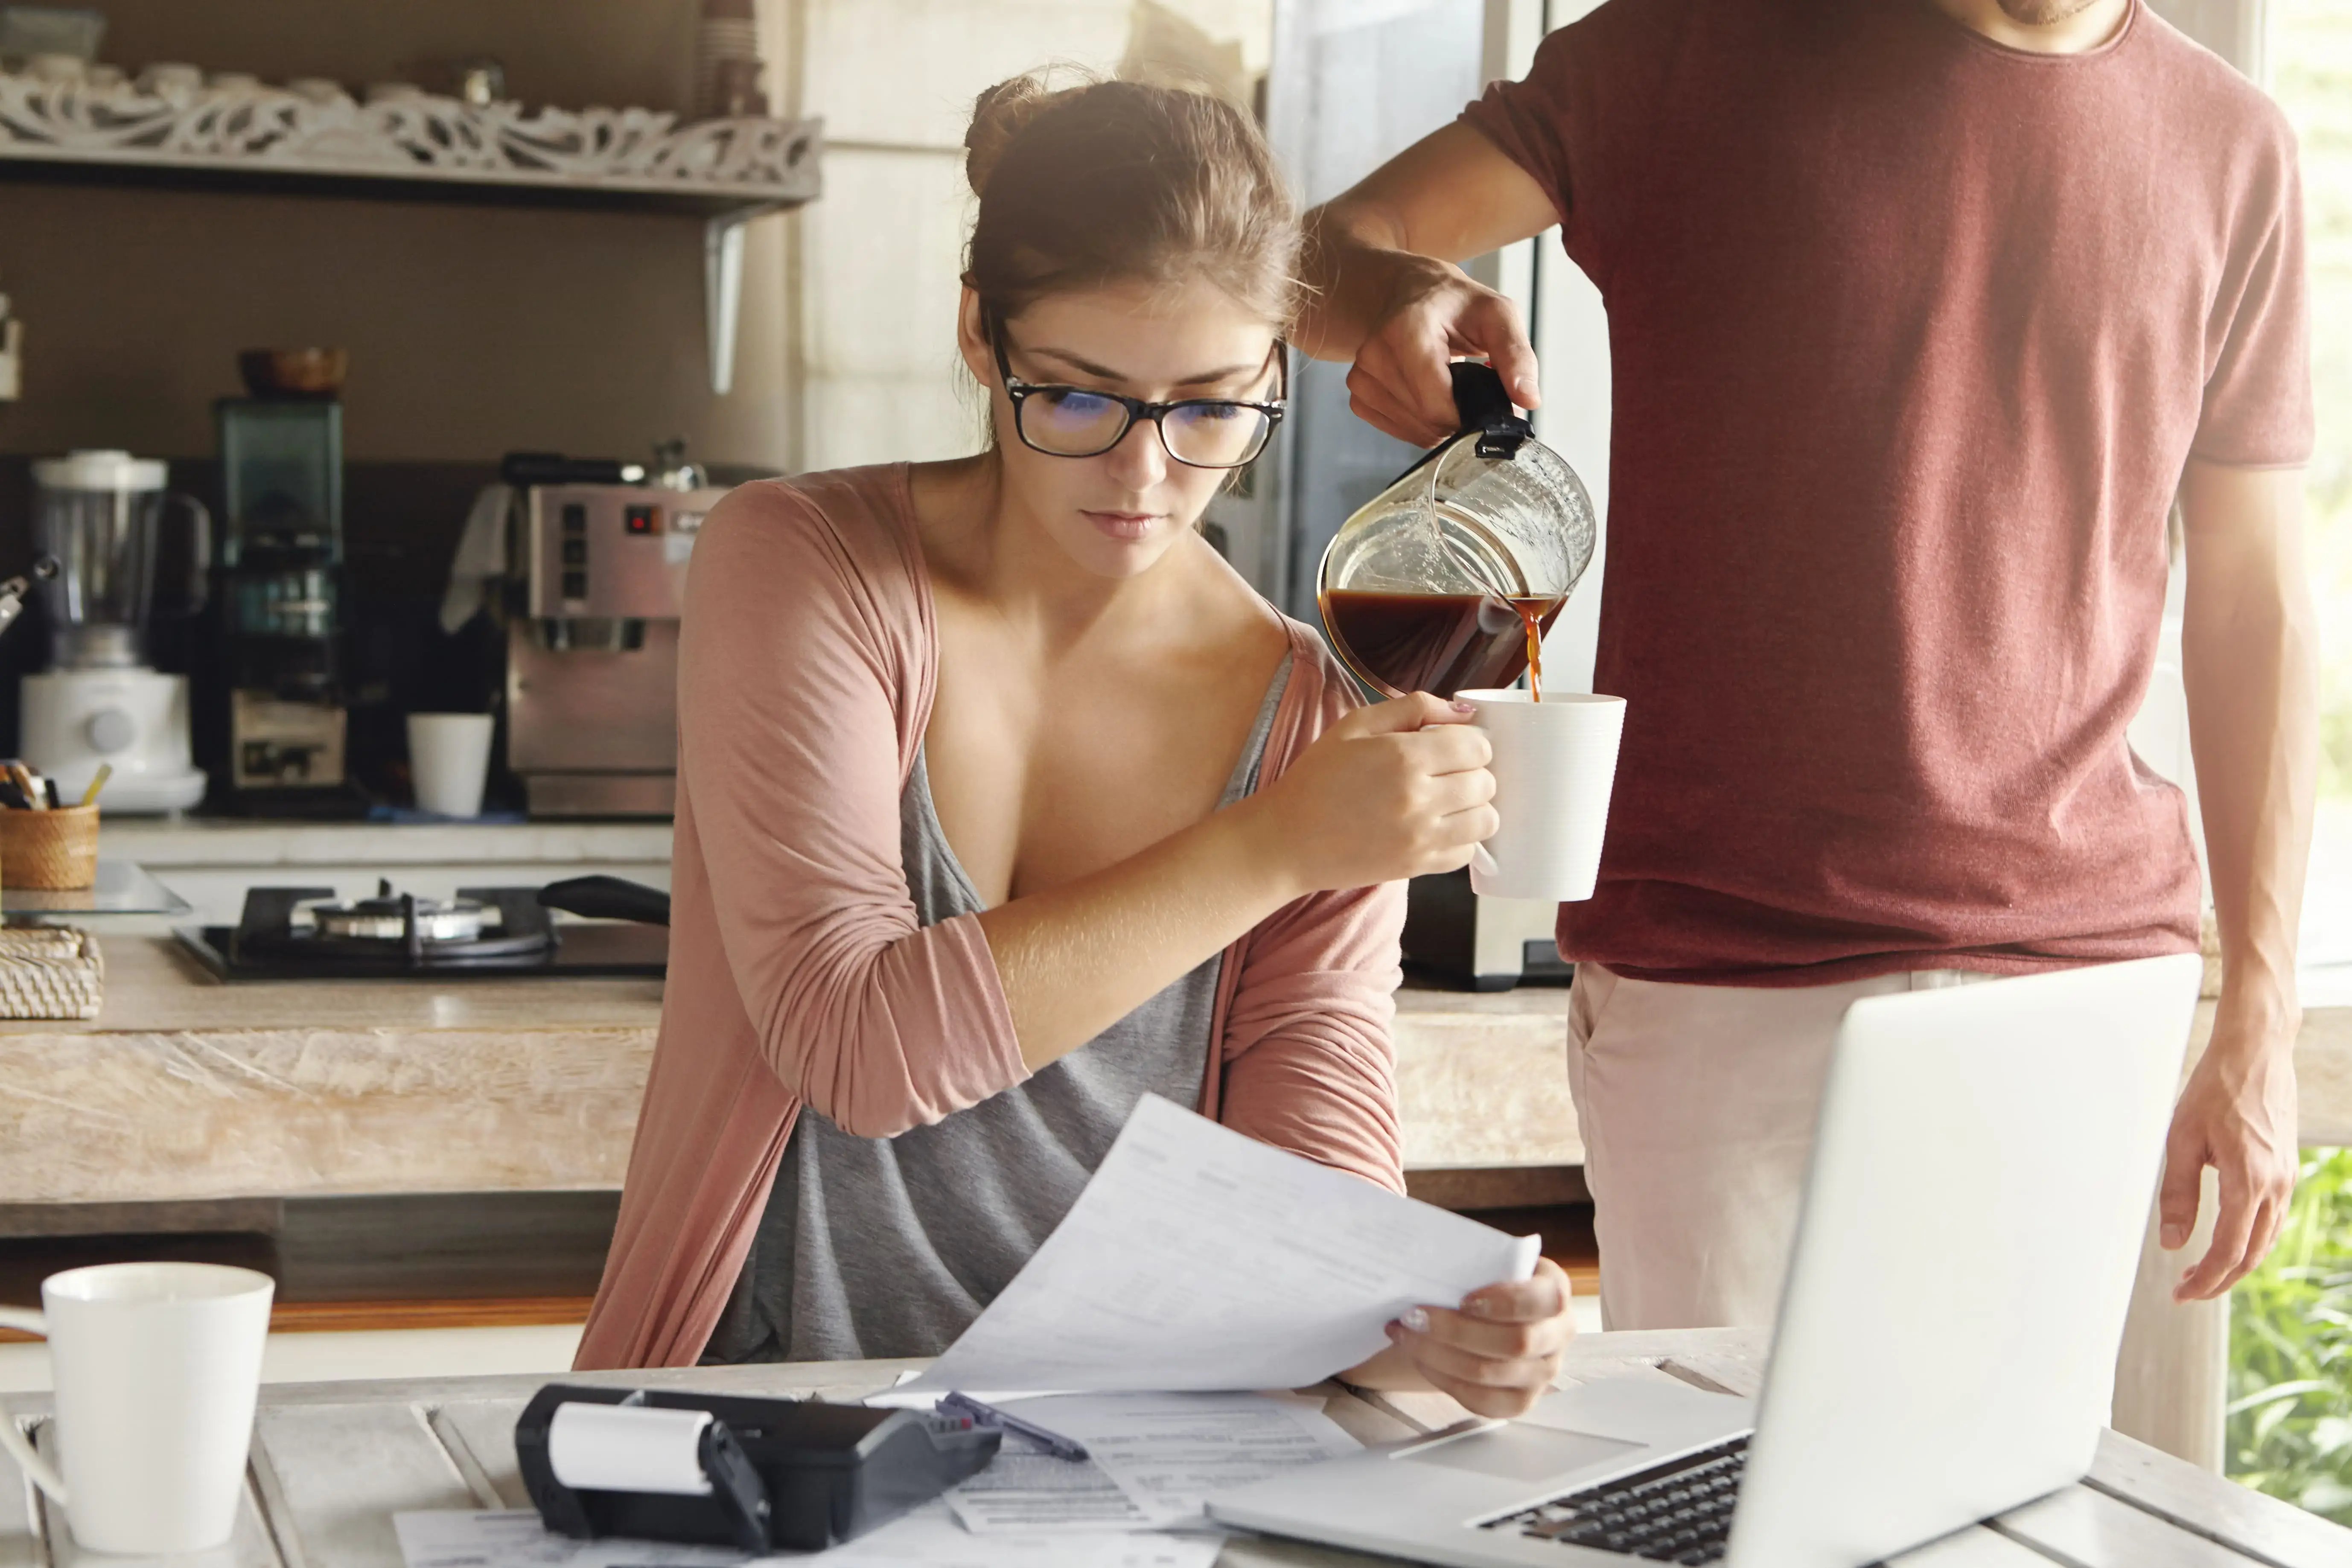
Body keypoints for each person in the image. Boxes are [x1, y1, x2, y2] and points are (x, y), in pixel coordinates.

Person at [1298, 0, 2314, 1329]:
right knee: (1724, 1522)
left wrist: (2263, 1021)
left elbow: (2256, 602)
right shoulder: (1682, 50)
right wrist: (1397, 297)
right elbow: (1305, 260)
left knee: (1996, 1529)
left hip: (2077, 978)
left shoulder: (2235, 146)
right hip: (1724, 976)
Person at [575, 75, 1577, 1416]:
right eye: (1083, 399)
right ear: (983, 338)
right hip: (771, 1428)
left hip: (1124, 1442)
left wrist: (1415, 1320)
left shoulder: (1305, 711)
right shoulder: (803, 566)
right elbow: (858, 1048)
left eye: (1212, 406)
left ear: (1277, 372)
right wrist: (1278, 844)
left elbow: (1312, 1167)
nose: (1145, 476)